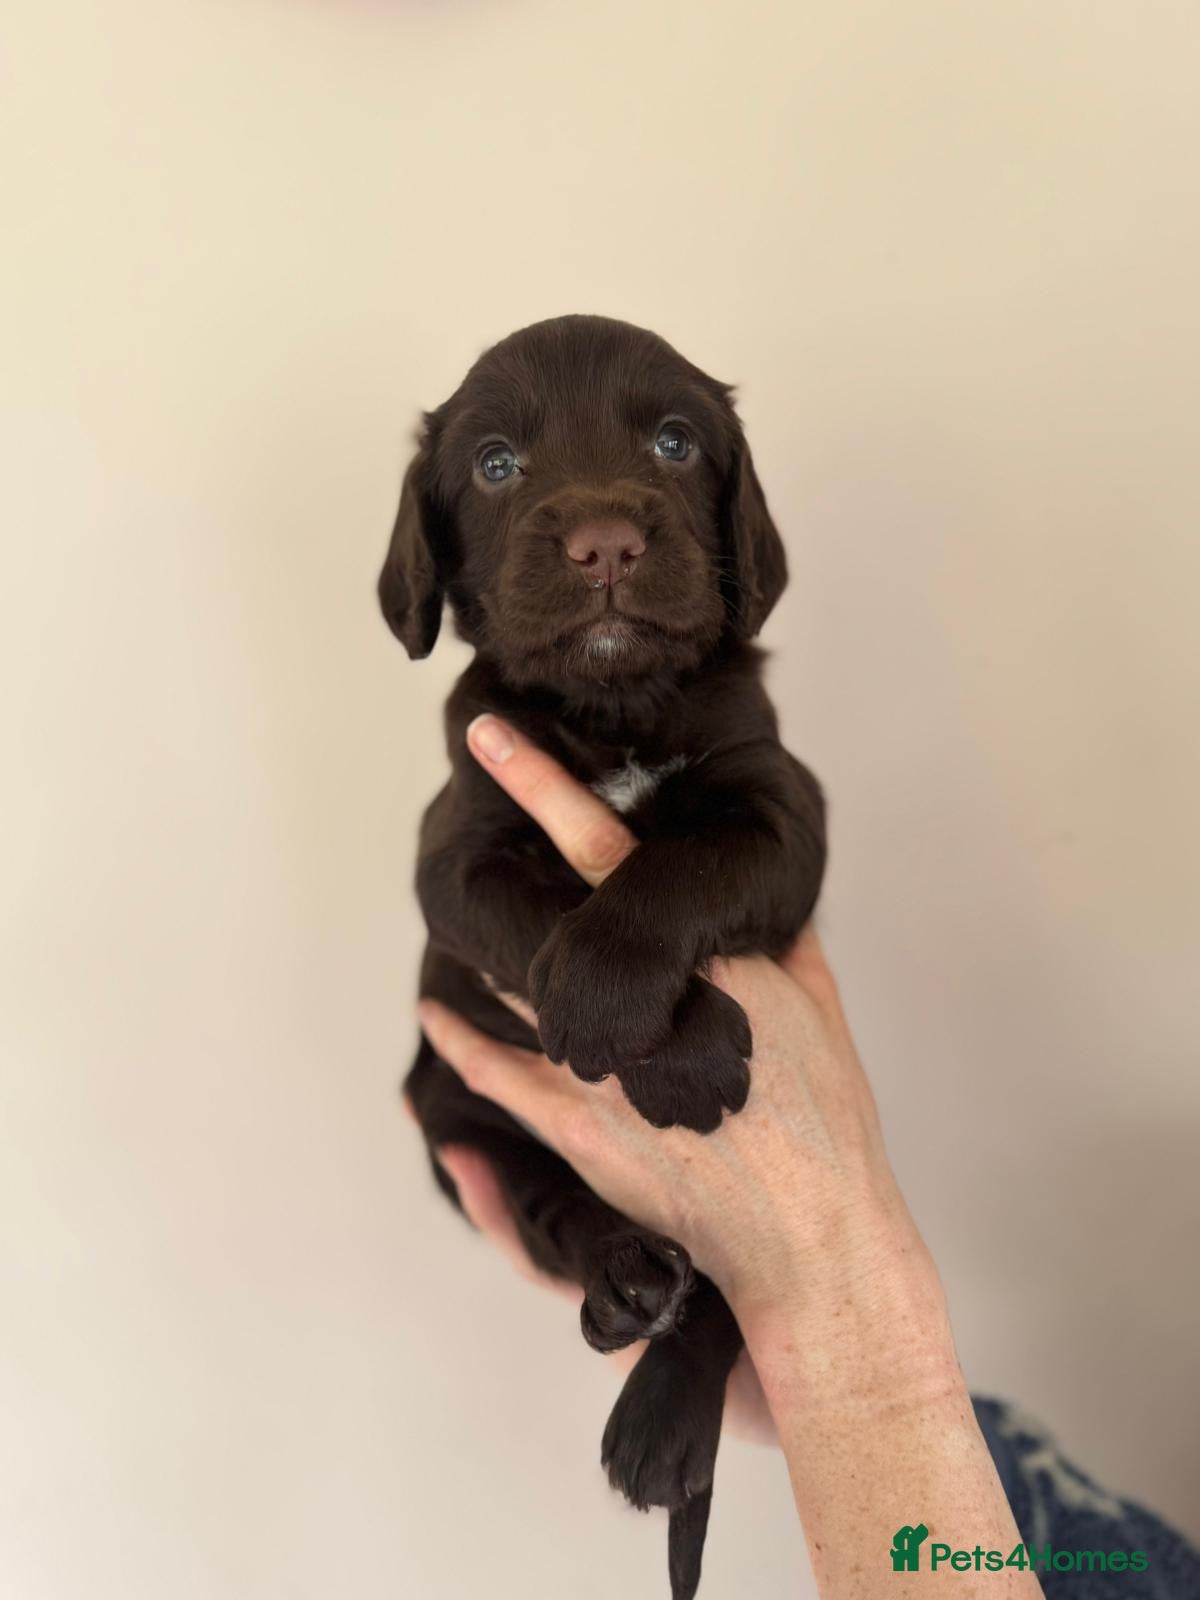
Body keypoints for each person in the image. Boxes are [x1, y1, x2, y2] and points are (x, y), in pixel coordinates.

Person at [416, 716, 1200, 1599]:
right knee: (485, 1148)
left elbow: (778, 850)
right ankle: (685, 1313)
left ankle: (692, 1323)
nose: (602, 565)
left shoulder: (727, 728)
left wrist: (852, 1353)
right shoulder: (1116, 1554)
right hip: (542, 1141)